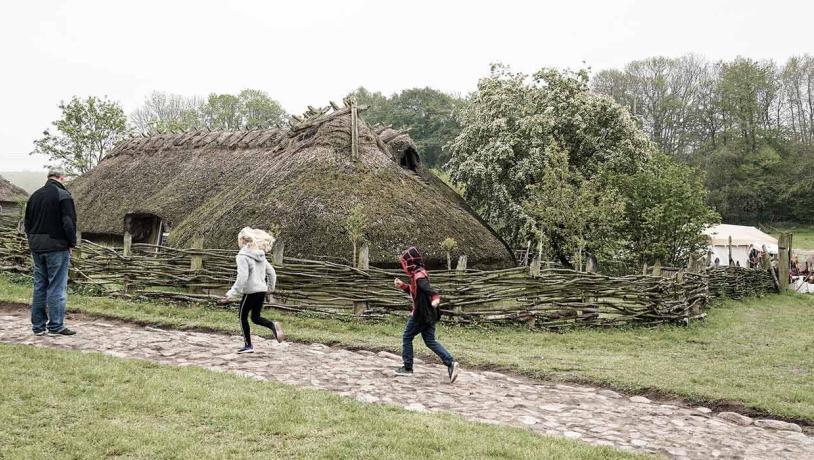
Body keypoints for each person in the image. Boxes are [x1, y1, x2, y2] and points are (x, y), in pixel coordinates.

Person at [393, 246, 460, 383]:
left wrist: (436, 298)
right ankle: (451, 363)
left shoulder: (418, 277)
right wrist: (403, 286)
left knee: (407, 337)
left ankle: (407, 368)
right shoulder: (420, 273)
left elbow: (429, 290)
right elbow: (417, 293)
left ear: (411, 262)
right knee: (430, 341)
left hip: (421, 315)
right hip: (430, 314)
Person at [24, 166, 77, 336]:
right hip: (56, 246)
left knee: (40, 285)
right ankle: (55, 326)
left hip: (37, 246)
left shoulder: (34, 196)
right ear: (62, 177)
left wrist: (32, 240)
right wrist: (71, 243)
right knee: (57, 286)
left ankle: (38, 327)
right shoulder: (63, 195)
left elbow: (27, 223)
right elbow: (68, 223)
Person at [218, 227, 284, 353]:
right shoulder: (260, 255)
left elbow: (242, 277)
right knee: (255, 317)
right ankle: (272, 325)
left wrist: (231, 294)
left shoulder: (242, 256)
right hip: (261, 291)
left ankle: (248, 346)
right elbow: (272, 273)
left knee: (242, 316)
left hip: (250, 292)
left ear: (242, 240)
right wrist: (269, 289)